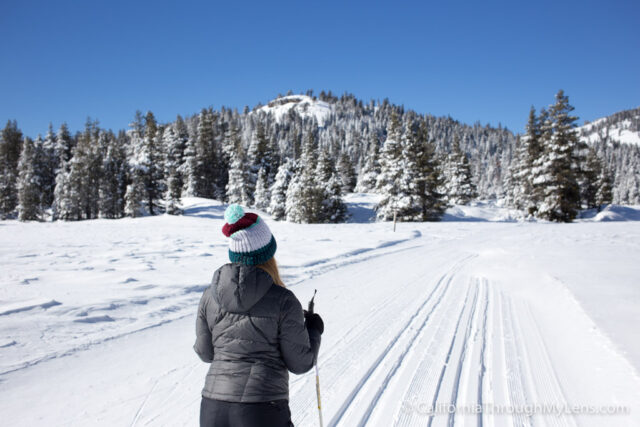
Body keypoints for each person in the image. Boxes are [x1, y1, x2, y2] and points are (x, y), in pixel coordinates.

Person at [194, 204, 324, 427]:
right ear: (268, 254)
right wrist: (313, 331)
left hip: (212, 408)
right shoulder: (283, 300)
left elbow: (206, 353)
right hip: (262, 408)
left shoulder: (209, 295)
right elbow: (300, 363)